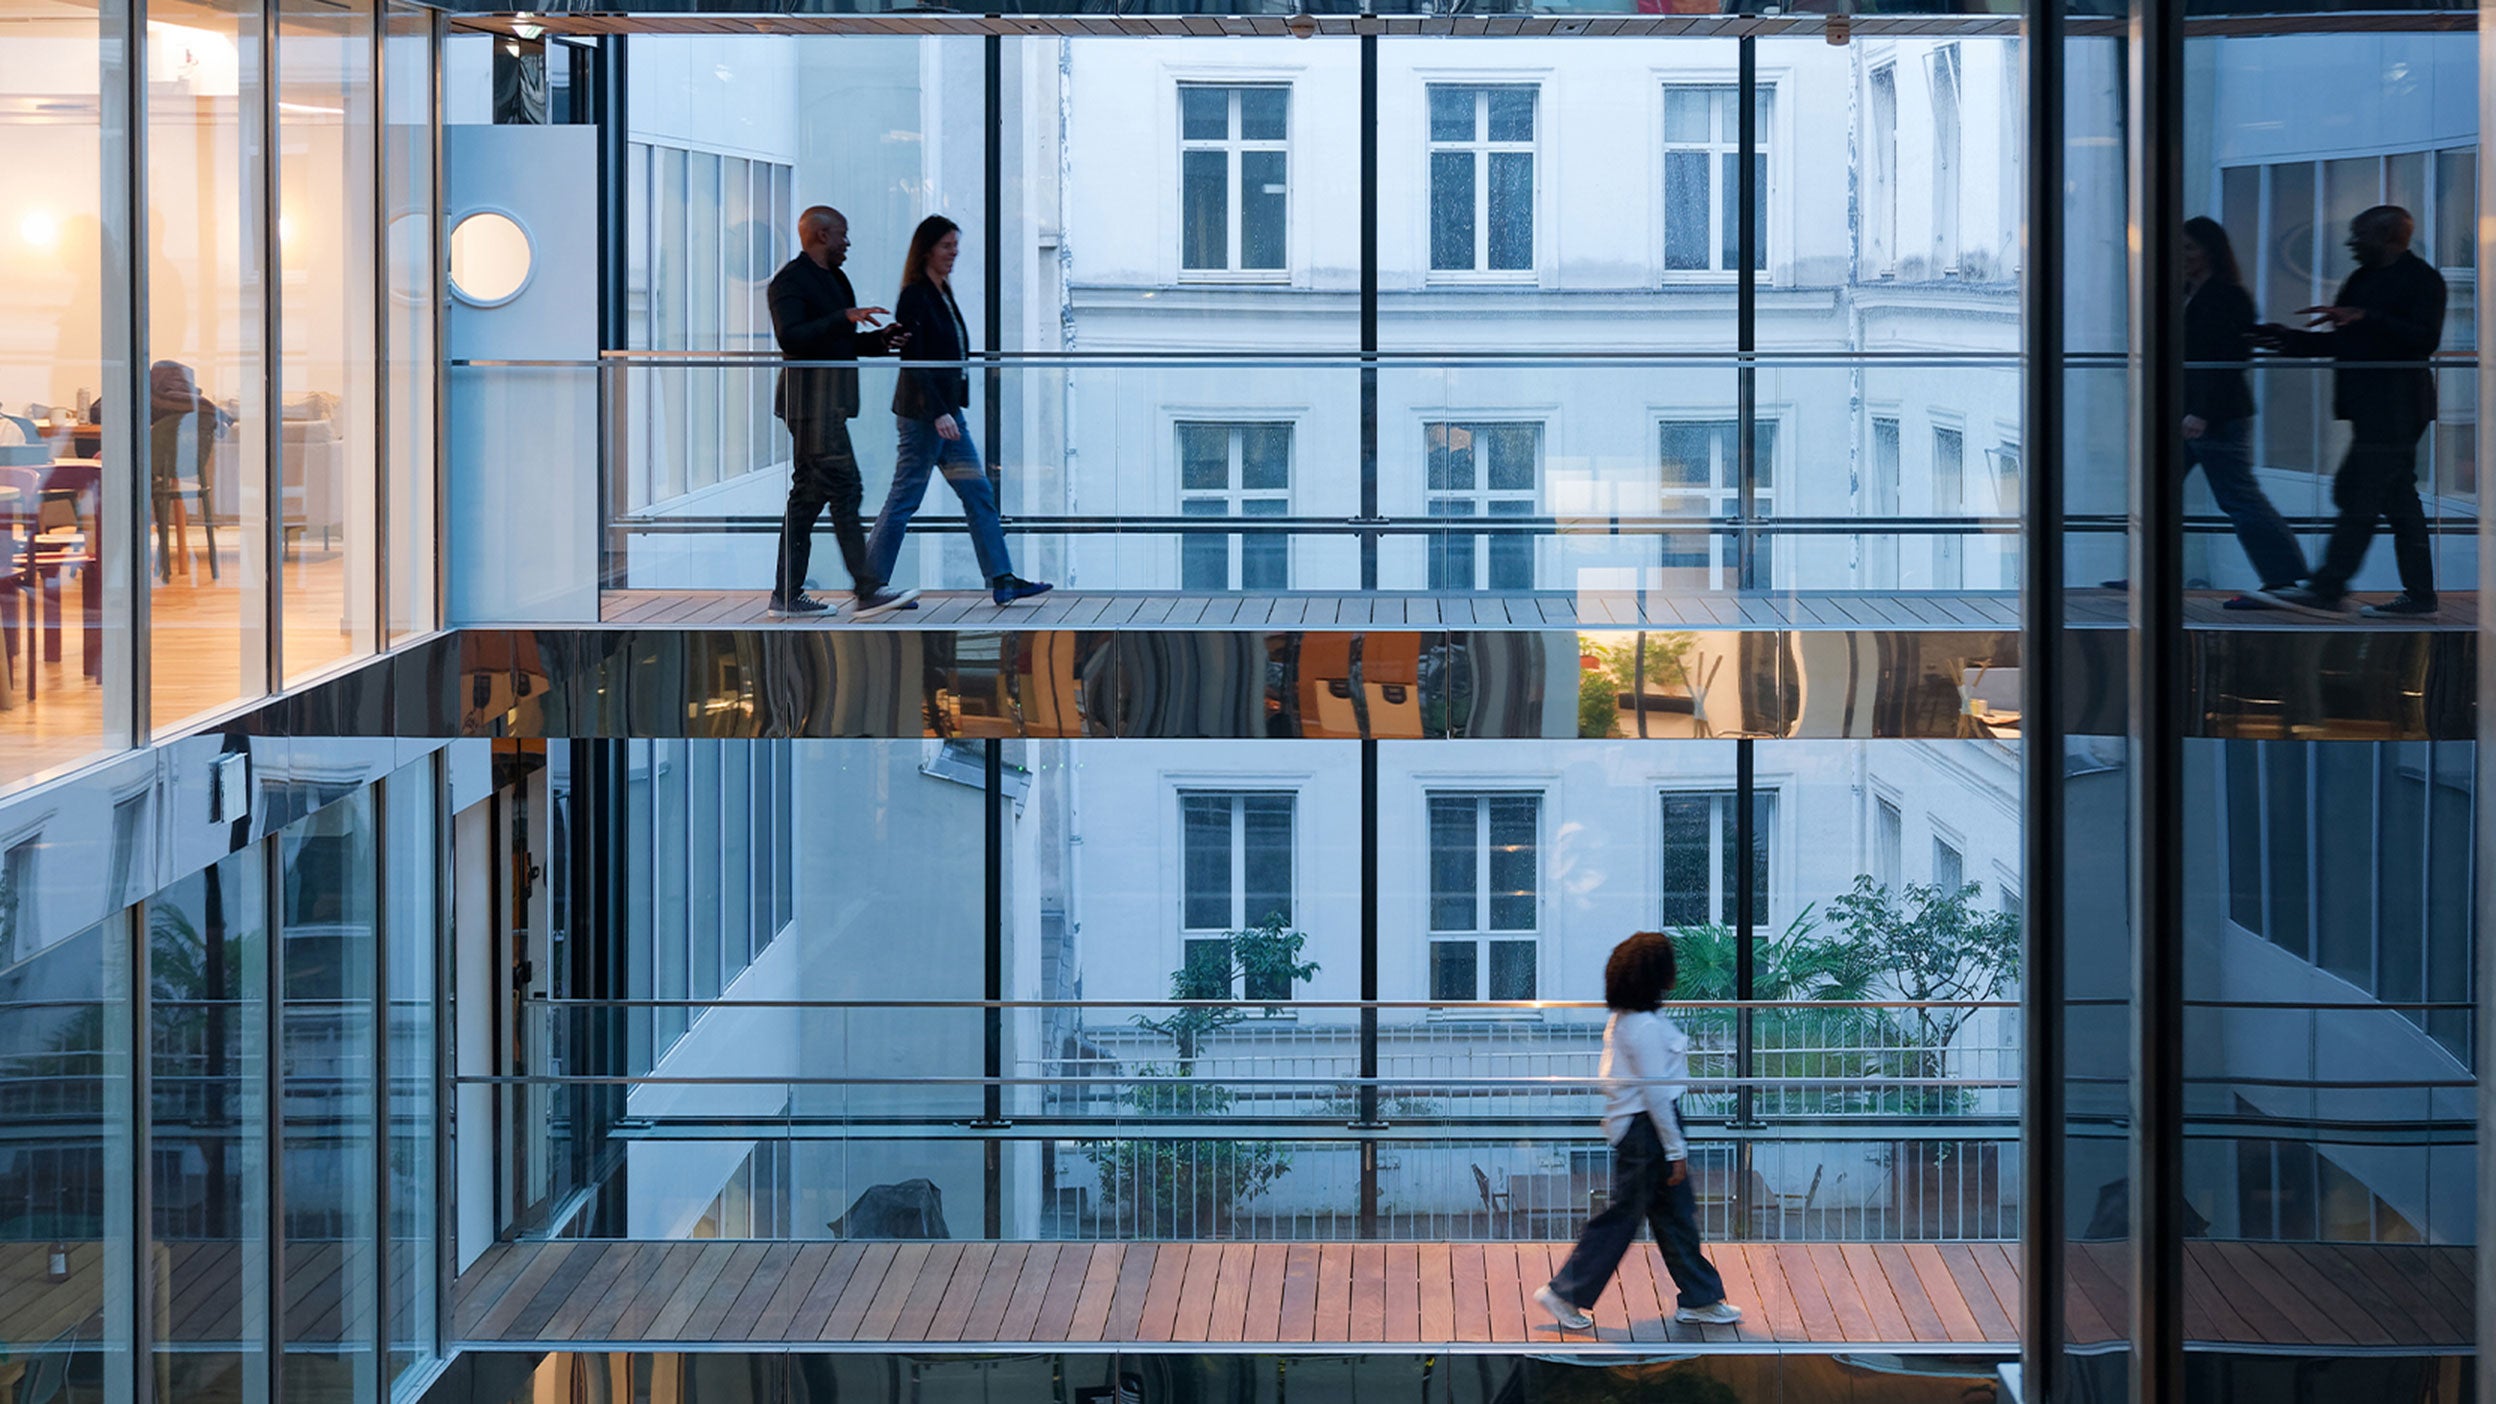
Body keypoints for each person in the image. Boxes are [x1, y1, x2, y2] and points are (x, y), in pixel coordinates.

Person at [1534, 931, 1743, 1332]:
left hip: (1643, 1128)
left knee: (1675, 1215)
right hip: (1649, 1130)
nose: (1676, 971)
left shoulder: (1629, 1019)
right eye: (1670, 964)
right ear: (1655, 973)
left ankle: (1700, 1298)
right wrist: (1674, 1148)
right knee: (1624, 1218)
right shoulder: (1643, 1025)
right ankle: (1565, 1292)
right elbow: (1656, 1093)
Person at [2253, 205, 2447, 618]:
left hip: (2397, 405)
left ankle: (2329, 587)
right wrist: (2288, 341)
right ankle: (2419, 595)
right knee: (2395, 498)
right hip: (2376, 406)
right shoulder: (2364, 278)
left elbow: (2424, 339)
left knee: (2361, 493)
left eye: (2360, 236)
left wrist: (2366, 316)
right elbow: (2346, 342)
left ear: (2390, 237)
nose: (2351, 244)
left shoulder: (2421, 280)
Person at [864, 215, 1052, 608]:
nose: (955, 253)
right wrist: (938, 413)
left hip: (946, 415)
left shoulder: (940, 290)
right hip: (925, 417)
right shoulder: (915, 294)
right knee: (905, 497)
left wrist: (949, 408)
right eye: (947, 245)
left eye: (955, 245)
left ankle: (1002, 579)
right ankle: (870, 586)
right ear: (927, 249)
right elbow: (913, 360)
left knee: (977, 492)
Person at [767, 205, 917, 618]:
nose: (847, 243)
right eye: (842, 235)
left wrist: (878, 341)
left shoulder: (834, 278)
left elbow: (837, 342)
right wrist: (843, 317)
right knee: (845, 489)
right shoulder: (791, 282)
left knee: (807, 499)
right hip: (810, 407)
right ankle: (867, 588)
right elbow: (791, 338)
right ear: (821, 235)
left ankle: (786, 595)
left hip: (828, 405)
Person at [2179, 217, 2306, 609]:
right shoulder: (2189, 292)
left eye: (2189, 248)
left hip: (2215, 416)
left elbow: (2228, 358)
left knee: (2238, 497)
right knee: (2155, 491)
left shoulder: (2226, 295)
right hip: (2190, 412)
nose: (2181, 256)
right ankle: (2148, 570)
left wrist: (2201, 412)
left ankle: (2285, 578)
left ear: (2210, 251)